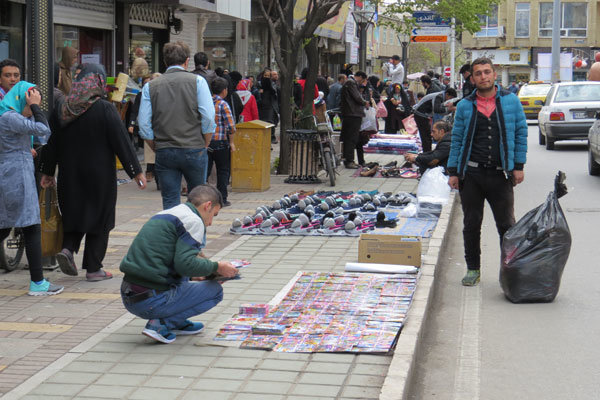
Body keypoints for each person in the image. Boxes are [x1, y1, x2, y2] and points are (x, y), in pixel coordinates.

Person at [39, 64, 146, 281]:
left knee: (74, 214)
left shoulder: (62, 107)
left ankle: (68, 250)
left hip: (70, 175)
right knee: (101, 219)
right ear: (97, 82)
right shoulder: (104, 109)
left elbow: (51, 143)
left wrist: (47, 172)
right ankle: (94, 268)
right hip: (101, 177)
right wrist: (136, 172)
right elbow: (121, 142)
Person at [119, 185, 239, 344]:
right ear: (207, 206)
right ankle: (161, 325)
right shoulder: (194, 220)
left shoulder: (170, 213)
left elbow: (176, 260)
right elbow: (185, 264)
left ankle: (177, 321)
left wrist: (202, 272)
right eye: (214, 215)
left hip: (130, 295)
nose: (210, 223)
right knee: (215, 291)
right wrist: (217, 267)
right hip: (150, 300)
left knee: (188, 279)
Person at [447, 57, 528, 287]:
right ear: (472, 78)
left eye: (486, 72)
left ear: (494, 74)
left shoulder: (511, 101)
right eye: (478, 73)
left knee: (506, 226)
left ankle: (509, 268)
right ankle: (473, 268)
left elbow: (521, 133)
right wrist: (454, 171)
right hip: (471, 175)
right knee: (471, 224)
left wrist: (518, 166)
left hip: (500, 175)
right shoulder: (465, 105)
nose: (483, 77)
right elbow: (457, 140)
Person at [0, 82, 63, 295]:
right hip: (16, 175)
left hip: (17, 171)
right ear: (21, 99)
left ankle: (38, 282)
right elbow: (44, 129)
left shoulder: (10, 116)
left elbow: (42, 136)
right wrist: (36, 107)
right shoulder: (10, 117)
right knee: (29, 225)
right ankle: (37, 283)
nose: (32, 110)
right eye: (30, 104)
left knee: (13, 224)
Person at [138, 41, 216, 210]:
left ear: (165, 62)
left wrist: (156, 145)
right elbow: (208, 117)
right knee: (198, 201)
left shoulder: (150, 86)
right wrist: (206, 141)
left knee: (170, 202)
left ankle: (173, 234)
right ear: (187, 61)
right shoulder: (198, 82)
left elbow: (143, 125)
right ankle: (195, 234)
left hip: (165, 149)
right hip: (194, 147)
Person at [129, 73, 161, 188]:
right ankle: (151, 173)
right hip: (150, 128)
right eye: (146, 83)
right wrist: (132, 123)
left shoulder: (164, 94)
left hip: (159, 128)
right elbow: (136, 111)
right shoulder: (142, 94)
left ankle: (157, 178)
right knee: (151, 154)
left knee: (157, 155)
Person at [208, 77, 236, 207]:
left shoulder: (205, 103)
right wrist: (232, 143)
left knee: (206, 172)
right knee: (223, 171)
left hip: (206, 143)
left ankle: (204, 197)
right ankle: (222, 199)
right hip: (220, 143)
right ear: (224, 91)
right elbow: (231, 127)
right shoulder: (223, 104)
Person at [413, 88, 457, 152]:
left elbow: (440, 110)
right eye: (450, 97)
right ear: (447, 94)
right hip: (420, 114)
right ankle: (426, 153)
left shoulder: (441, 97)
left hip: (424, 115)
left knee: (427, 135)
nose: (449, 99)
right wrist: (449, 109)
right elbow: (437, 109)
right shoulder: (439, 96)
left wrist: (448, 110)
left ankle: (427, 152)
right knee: (425, 135)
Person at [340, 71, 369, 169]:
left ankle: (348, 159)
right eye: (363, 80)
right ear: (360, 77)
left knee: (350, 137)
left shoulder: (349, 83)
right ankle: (349, 160)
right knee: (351, 138)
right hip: (353, 114)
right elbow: (357, 97)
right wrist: (365, 102)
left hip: (351, 113)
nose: (362, 83)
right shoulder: (351, 83)